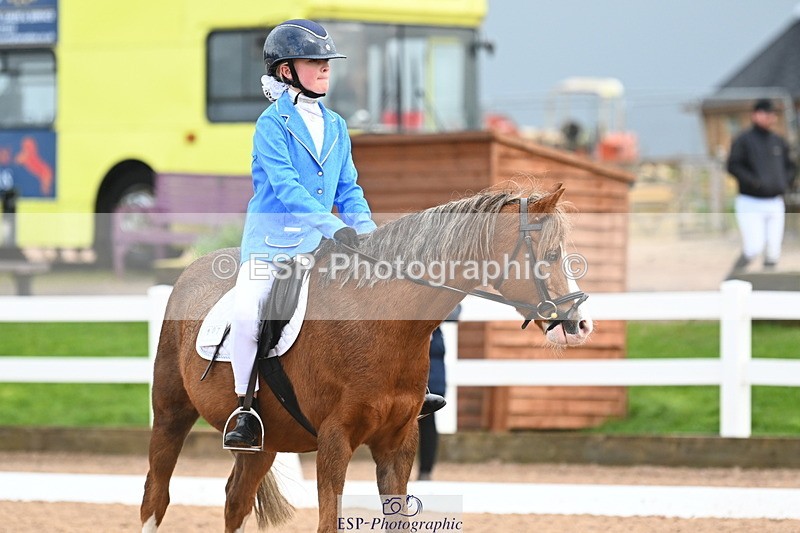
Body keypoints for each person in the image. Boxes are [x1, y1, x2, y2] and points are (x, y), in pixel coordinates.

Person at [224, 20, 445, 449]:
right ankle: (244, 409)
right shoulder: (271, 125)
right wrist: (335, 226)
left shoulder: (338, 125)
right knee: (248, 313)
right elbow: (288, 189)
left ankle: (405, 392)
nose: (325, 68)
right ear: (286, 70)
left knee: (391, 295)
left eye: (327, 62)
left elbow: (349, 189)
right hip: (272, 246)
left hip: (323, 243)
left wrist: (367, 234)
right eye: (315, 62)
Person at [726, 99, 797, 276]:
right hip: (751, 201)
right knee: (754, 247)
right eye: (767, 113)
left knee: (773, 248)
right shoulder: (744, 140)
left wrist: (784, 182)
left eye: (773, 114)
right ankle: (734, 277)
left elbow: (791, 166)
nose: (771, 117)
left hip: (774, 200)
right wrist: (753, 182)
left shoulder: (778, 141)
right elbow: (733, 165)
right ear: (756, 114)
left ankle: (768, 285)